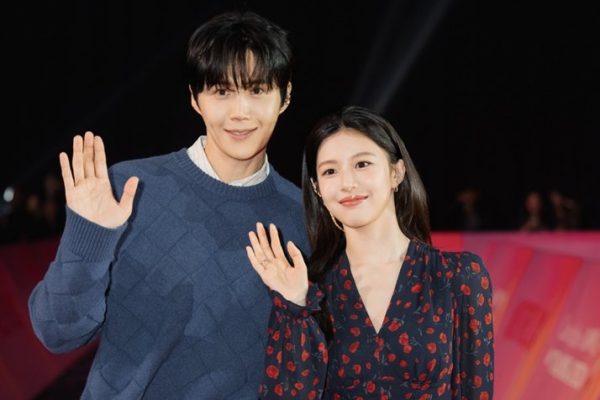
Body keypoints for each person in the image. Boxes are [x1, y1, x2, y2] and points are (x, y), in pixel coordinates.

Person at [28, 11, 309, 399]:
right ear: (195, 98)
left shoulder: (302, 218)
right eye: (222, 92)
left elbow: (305, 372)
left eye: (257, 90)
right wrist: (88, 237)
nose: (240, 112)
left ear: (285, 96)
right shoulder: (128, 189)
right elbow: (58, 333)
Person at [246, 106, 494, 399]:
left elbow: (475, 390)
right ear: (317, 189)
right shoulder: (309, 289)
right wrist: (296, 304)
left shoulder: (458, 276)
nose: (347, 183)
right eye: (330, 171)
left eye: (362, 164)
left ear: (396, 172)